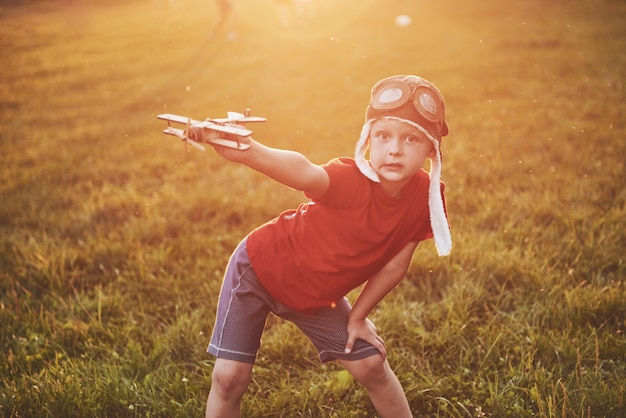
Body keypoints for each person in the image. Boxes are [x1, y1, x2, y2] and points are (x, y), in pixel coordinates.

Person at [204, 75, 452, 417]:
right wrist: (250, 153)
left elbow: (395, 266)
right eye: (383, 136)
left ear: (431, 149)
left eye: (411, 139)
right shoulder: (352, 179)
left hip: (317, 296)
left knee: (372, 367)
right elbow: (304, 172)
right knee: (230, 378)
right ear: (368, 139)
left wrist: (358, 318)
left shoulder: (426, 198)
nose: (395, 149)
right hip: (259, 269)